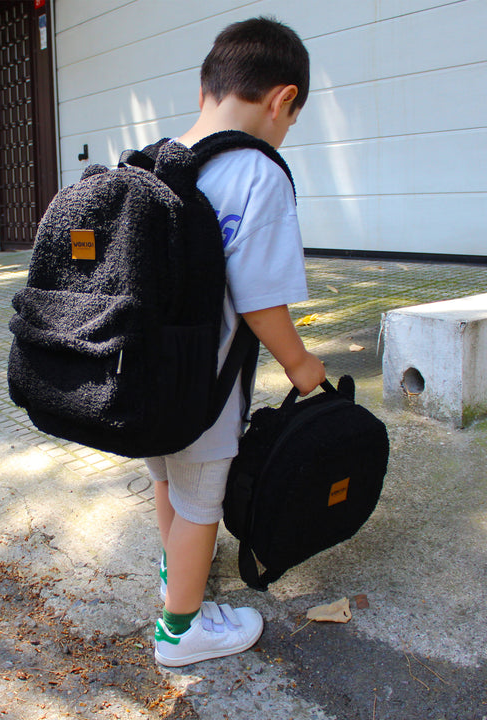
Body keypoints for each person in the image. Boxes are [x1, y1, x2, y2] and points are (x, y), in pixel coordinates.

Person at [147, 17, 326, 667]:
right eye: (291, 118)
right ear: (282, 100)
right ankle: (180, 632)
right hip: (206, 383)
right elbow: (258, 300)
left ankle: (176, 578)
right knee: (201, 503)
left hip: (141, 377)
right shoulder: (258, 174)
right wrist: (302, 364)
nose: (284, 131)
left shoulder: (156, 158)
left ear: (206, 91)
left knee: (169, 483)